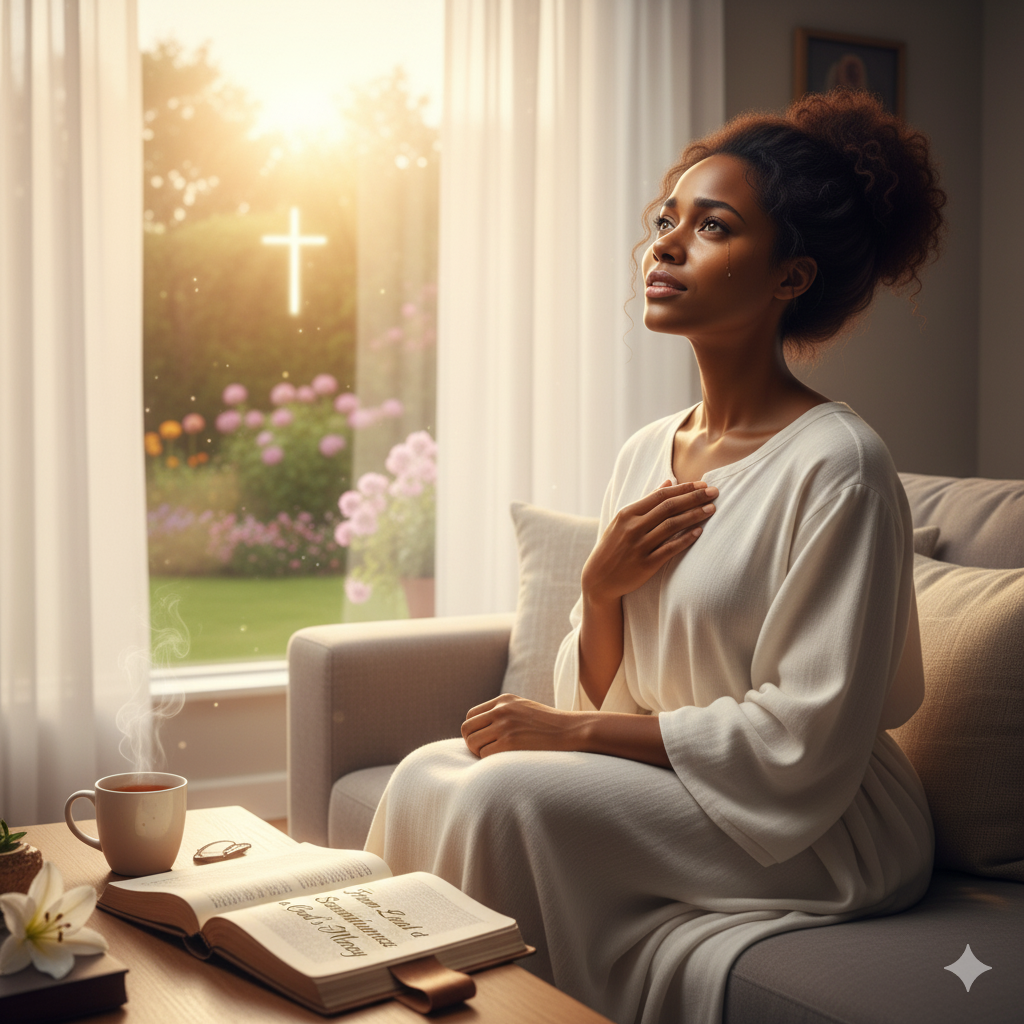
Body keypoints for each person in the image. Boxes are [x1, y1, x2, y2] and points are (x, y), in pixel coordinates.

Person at [365, 90, 946, 1024]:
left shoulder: (840, 465)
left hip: (821, 820)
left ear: (791, 277)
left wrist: (570, 736)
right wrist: (599, 592)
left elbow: (800, 738)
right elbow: (607, 698)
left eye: (712, 227)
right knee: (428, 773)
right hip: (681, 776)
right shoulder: (647, 452)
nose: (665, 246)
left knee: (504, 798)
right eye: (666, 220)